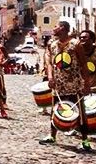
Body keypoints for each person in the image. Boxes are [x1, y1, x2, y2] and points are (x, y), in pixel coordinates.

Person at [39, 21, 92, 150]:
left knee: (80, 112)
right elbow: (50, 63)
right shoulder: (52, 44)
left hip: (74, 84)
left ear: (62, 28)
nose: (53, 28)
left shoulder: (76, 44)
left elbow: (84, 64)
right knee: (55, 109)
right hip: (58, 84)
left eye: (56, 26)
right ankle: (52, 136)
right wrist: (50, 77)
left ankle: (85, 140)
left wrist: (86, 84)